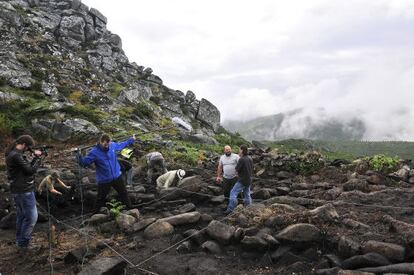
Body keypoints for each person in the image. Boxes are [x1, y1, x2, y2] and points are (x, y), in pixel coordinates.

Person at [77, 134, 135, 212]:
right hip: (104, 179)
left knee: (124, 193)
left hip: (117, 176)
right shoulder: (94, 152)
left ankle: (130, 208)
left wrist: (131, 139)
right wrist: (78, 155)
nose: (107, 146)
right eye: (105, 144)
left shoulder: (112, 145)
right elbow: (84, 163)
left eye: (108, 144)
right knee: (100, 198)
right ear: (100, 142)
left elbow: (122, 145)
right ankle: (95, 213)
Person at [5, 135, 43, 251]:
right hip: (23, 190)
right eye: (28, 148)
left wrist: (34, 159)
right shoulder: (16, 156)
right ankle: (24, 243)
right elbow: (30, 171)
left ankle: (20, 242)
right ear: (24, 145)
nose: (28, 150)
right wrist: (38, 158)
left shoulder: (13, 154)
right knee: (32, 217)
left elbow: (25, 169)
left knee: (21, 216)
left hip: (18, 189)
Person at [224, 145, 253, 214]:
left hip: (242, 180)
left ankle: (230, 210)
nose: (238, 151)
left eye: (239, 149)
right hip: (249, 179)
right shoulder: (250, 158)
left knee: (233, 193)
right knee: (247, 194)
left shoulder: (242, 159)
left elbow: (236, 170)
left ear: (242, 150)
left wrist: (236, 174)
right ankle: (249, 208)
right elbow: (251, 168)